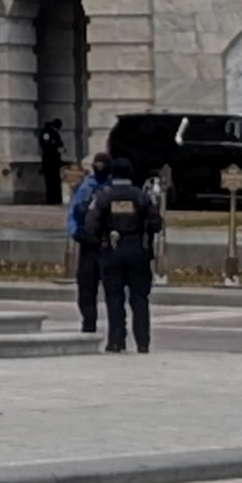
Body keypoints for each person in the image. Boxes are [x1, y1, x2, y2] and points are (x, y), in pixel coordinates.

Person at [90, 155, 164, 355]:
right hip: (138, 250)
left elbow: (92, 225)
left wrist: (101, 240)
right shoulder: (141, 196)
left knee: (114, 297)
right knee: (139, 298)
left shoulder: (104, 197)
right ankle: (142, 342)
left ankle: (116, 341)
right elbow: (156, 224)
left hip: (111, 251)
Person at [65, 146, 111, 336]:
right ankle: (88, 323)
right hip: (88, 244)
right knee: (86, 288)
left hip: (108, 245)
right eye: (96, 165)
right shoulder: (85, 187)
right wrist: (76, 232)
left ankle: (116, 330)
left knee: (112, 291)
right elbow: (73, 213)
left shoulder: (113, 187)